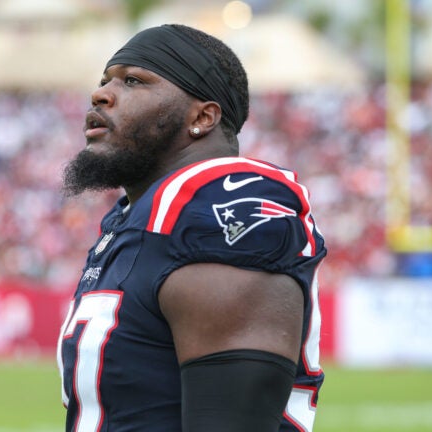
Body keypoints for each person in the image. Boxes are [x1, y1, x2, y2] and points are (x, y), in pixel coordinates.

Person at [57, 23, 326, 432]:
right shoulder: (134, 216)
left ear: (202, 117)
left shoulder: (216, 206)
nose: (101, 94)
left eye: (133, 81)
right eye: (104, 80)